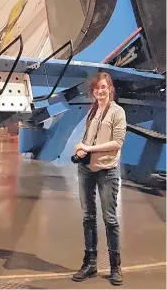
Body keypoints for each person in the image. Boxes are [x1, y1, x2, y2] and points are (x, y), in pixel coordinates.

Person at [72, 72, 126, 286]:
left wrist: (89, 148)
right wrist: (80, 145)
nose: (100, 91)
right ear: (93, 91)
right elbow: (87, 137)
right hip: (87, 170)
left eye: (104, 87)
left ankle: (115, 267)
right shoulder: (92, 110)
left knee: (110, 220)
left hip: (107, 171)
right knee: (88, 217)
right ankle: (90, 263)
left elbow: (117, 142)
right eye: (97, 89)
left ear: (110, 88)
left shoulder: (117, 112)